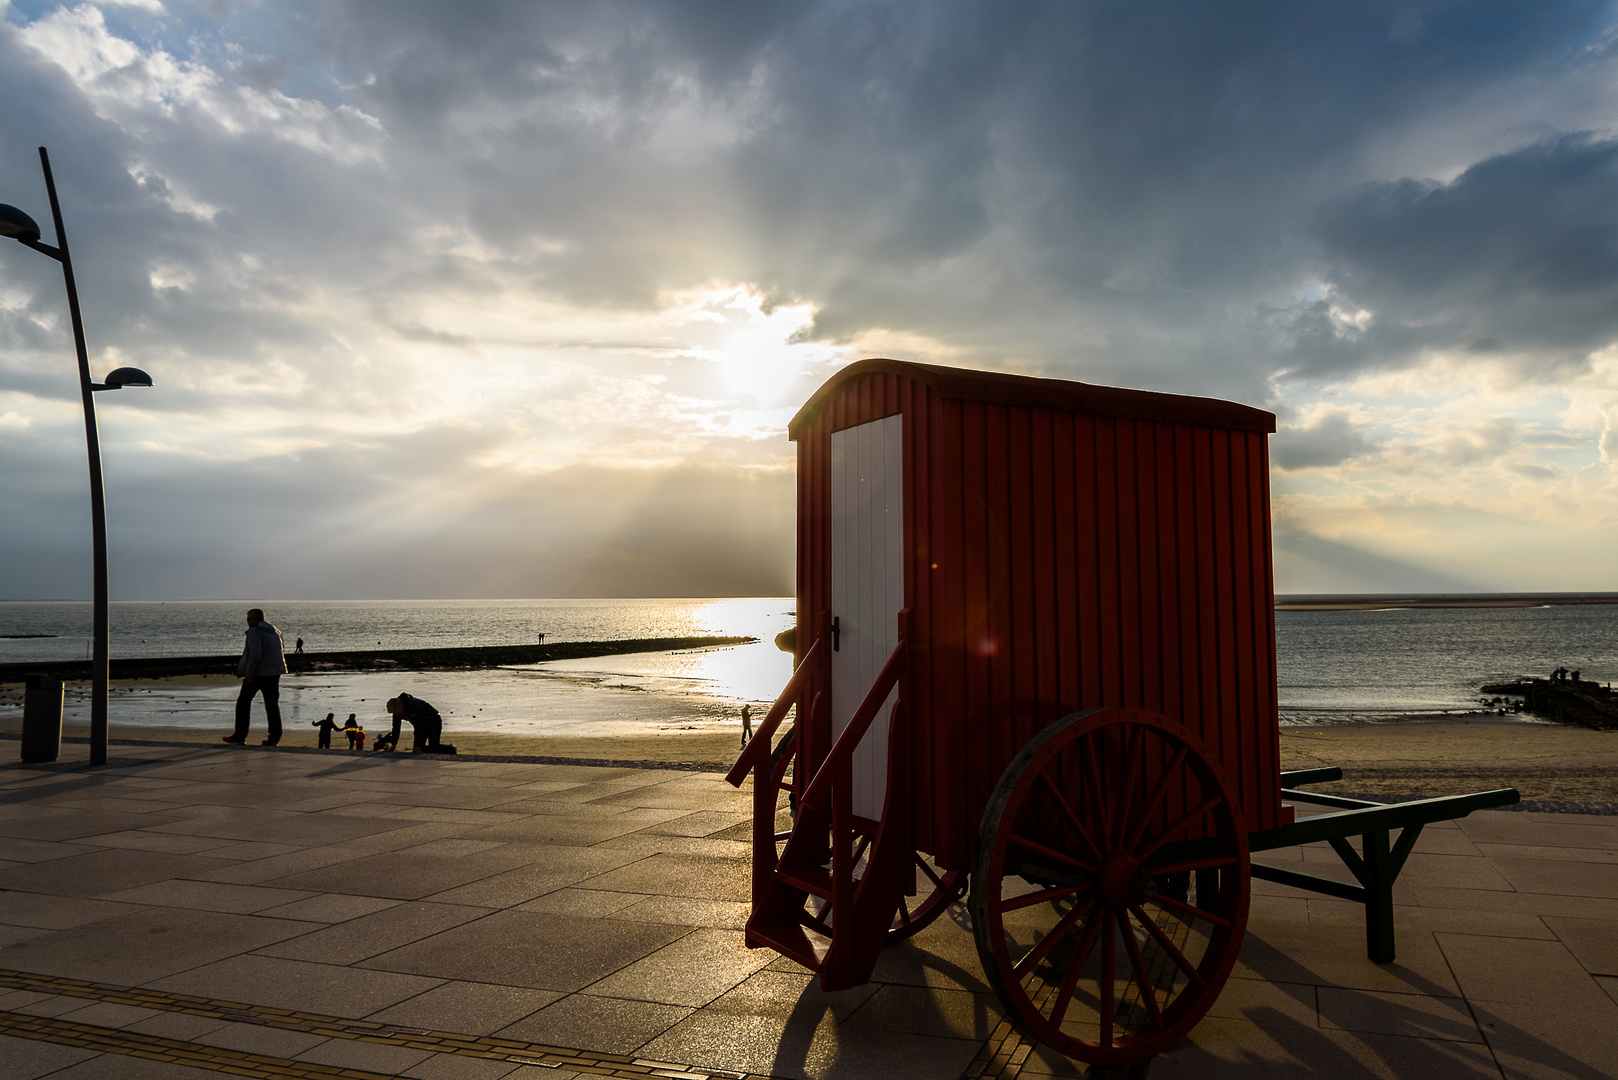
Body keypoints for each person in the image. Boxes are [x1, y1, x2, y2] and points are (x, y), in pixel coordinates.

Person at [224, 608, 287, 746]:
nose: (247, 622)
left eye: (248, 619)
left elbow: (255, 653)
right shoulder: (275, 631)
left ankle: (240, 735)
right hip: (274, 672)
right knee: (272, 706)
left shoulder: (254, 631)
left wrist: (248, 674)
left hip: (258, 673)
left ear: (253, 620)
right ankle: (274, 737)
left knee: (243, 703)